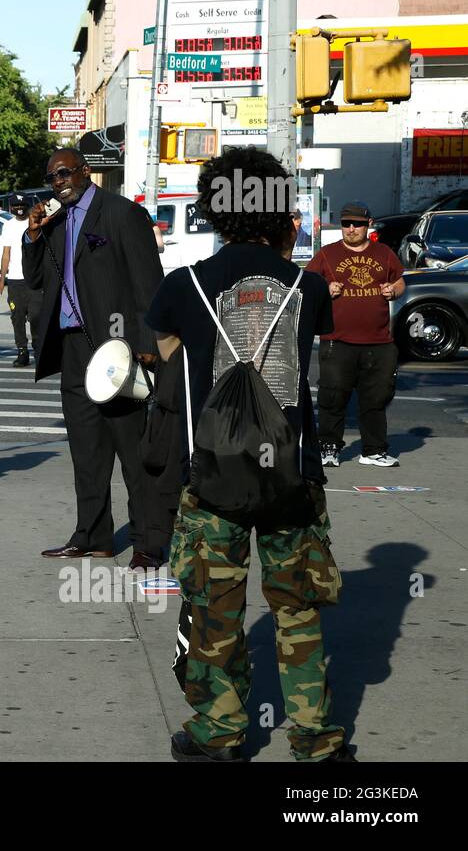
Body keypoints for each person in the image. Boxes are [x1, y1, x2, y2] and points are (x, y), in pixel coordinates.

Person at [146, 146, 351, 763]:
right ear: (278, 210)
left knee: (215, 610)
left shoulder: (183, 286)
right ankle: (316, 742)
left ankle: (220, 734)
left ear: (212, 209)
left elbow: (161, 355)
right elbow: (321, 338)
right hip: (292, 473)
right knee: (299, 611)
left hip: (213, 476)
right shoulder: (307, 286)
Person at [23, 148, 167, 569]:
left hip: (118, 347)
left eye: (65, 173)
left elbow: (148, 282)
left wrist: (148, 343)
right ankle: (93, 536)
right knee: (86, 452)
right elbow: (35, 279)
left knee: (133, 451)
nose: (58, 182)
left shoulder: (121, 214)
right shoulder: (55, 222)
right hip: (73, 348)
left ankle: (146, 541)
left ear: (86, 172)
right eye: (51, 177)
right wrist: (32, 235)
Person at [306, 201, 405, 468]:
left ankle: (373, 450)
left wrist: (393, 291)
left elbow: (399, 280)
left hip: (379, 341)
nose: (351, 229)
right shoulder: (327, 254)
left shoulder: (384, 253)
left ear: (368, 225)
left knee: (376, 398)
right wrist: (325, 287)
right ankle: (329, 449)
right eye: (346, 224)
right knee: (332, 396)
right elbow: (306, 284)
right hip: (337, 340)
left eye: (357, 224)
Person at [0, 196, 42, 367]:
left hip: (34, 279)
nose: (20, 208)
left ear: (28, 206)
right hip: (15, 280)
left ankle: (38, 349)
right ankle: (22, 351)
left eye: (23, 205)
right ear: (11, 207)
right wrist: (2, 280)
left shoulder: (35, 221)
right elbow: (6, 253)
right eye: (16, 205)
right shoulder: (8, 225)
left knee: (37, 315)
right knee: (17, 317)